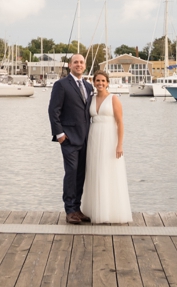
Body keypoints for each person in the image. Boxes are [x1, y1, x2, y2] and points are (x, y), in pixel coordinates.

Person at [80, 69, 132, 224]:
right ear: (93, 83)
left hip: (110, 138)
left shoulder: (114, 99)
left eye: (103, 81)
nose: (100, 83)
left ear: (108, 83)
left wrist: (119, 144)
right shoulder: (91, 99)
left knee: (109, 172)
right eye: (97, 81)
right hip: (94, 138)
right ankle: (94, 210)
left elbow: (120, 122)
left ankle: (110, 211)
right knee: (95, 171)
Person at [47, 53, 93, 224]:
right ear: (70, 65)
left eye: (81, 62)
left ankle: (77, 208)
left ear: (85, 65)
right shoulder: (61, 85)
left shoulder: (88, 86)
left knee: (81, 174)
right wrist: (59, 134)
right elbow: (53, 111)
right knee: (71, 172)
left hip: (86, 138)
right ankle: (69, 210)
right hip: (68, 138)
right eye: (75, 62)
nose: (79, 65)